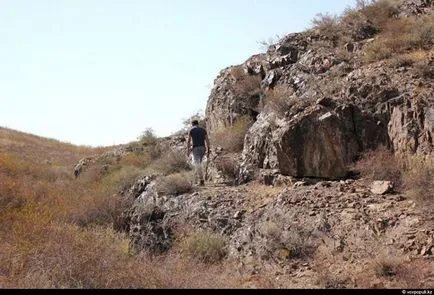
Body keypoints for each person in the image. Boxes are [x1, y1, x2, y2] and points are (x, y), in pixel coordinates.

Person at [187, 119, 210, 186]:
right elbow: (207, 139)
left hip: (195, 148)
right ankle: (198, 179)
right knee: (200, 163)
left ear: (192, 124)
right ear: (198, 123)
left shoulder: (191, 130)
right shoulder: (203, 130)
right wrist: (208, 148)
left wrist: (188, 150)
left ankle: (201, 180)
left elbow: (188, 141)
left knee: (197, 164)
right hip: (203, 148)